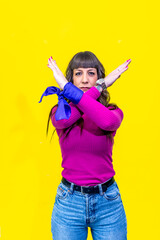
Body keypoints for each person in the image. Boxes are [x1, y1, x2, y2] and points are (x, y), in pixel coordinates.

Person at [39, 51, 131, 240]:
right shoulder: (61, 112)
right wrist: (99, 87)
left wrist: (68, 88)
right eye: (78, 73)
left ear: (99, 77)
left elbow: (106, 122)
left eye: (91, 73)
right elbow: (65, 120)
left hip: (108, 203)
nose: (85, 79)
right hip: (69, 202)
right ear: (71, 77)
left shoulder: (112, 111)